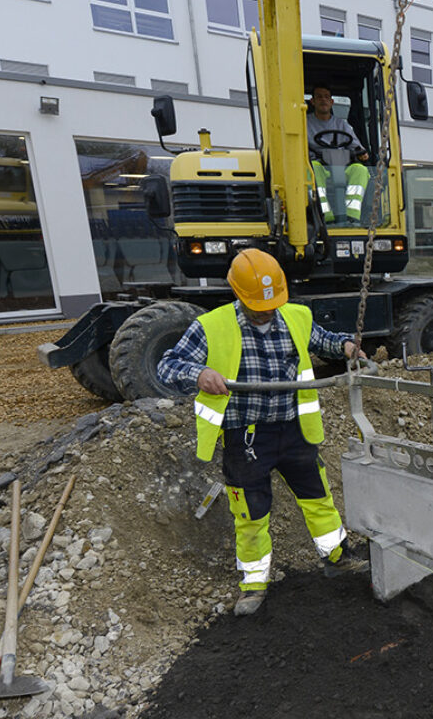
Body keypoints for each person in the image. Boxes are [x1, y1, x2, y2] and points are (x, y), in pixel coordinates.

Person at [156, 248, 366, 617]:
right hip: (245, 436)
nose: (267, 310)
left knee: (318, 496)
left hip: (294, 428)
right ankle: (254, 582)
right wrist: (200, 375)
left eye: (272, 303)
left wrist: (347, 345)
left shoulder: (296, 317)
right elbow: (167, 365)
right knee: (250, 512)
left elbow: (321, 340)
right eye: (258, 305)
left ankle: (337, 556)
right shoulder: (212, 327)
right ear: (238, 294)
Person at [306, 84, 370, 224]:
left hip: (341, 166)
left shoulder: (342, 124)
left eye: (327, 97)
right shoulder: (305, 123)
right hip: (320, 166)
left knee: (360, 170)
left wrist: (362, 153)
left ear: (332, 102)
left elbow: (357, 146)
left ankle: (352, 215)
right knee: (313, 168)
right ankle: (324, 213)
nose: (323, 100)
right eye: (319, 97)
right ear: (313, 101)